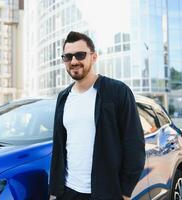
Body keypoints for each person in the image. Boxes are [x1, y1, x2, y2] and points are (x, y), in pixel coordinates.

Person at [49, 31, 145, 200]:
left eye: (80, 55)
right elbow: (59, 146)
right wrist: (55, 190)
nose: (73, 61)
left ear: (94, 57)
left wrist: (124, 191)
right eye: (68, 56)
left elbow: (134, 144)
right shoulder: (63, 97)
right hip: (68, 191)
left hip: (106, 192)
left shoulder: (117, 92)